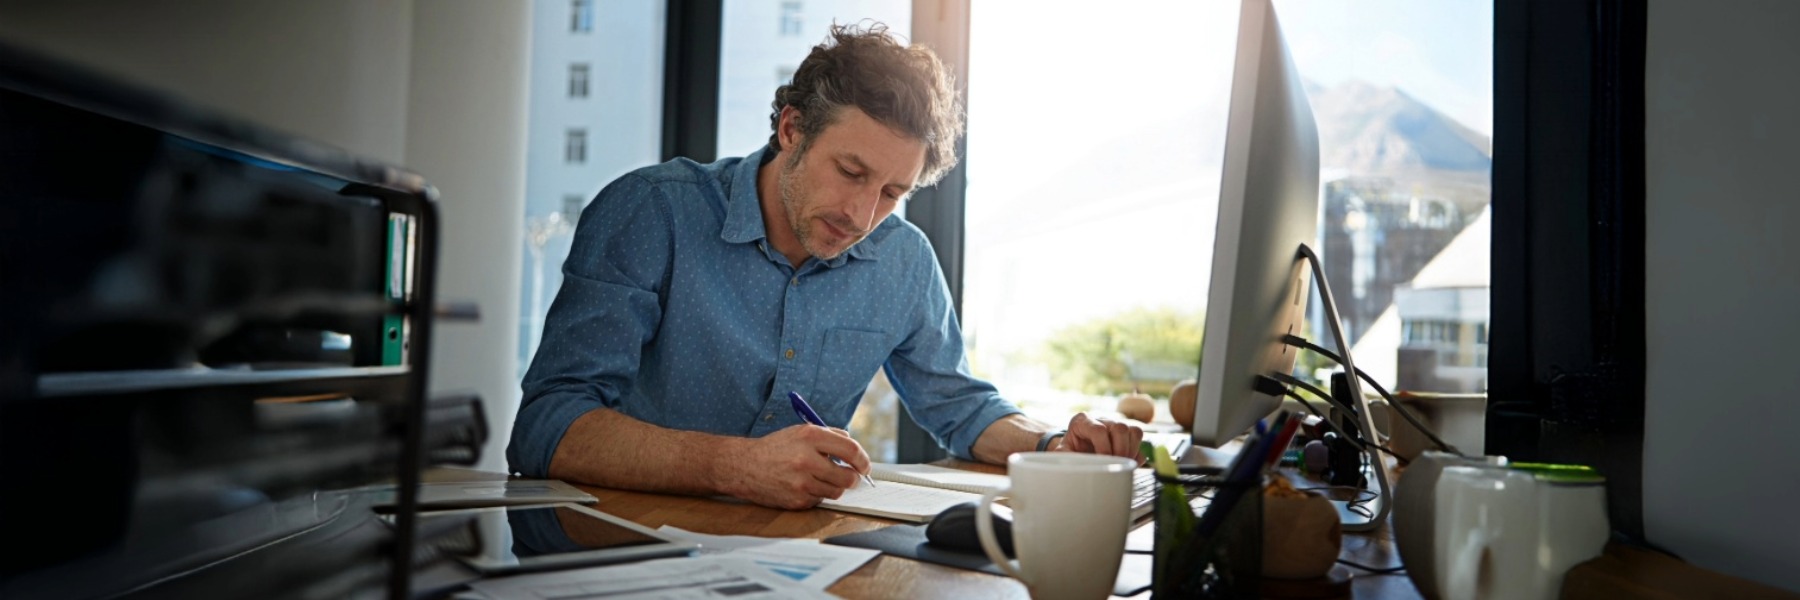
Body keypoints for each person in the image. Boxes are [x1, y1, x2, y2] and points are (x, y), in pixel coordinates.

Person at [508, 23, 1141, 510]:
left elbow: (962, 407)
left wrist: (1056, 446)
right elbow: (545, 428)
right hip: (621, 549)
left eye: (893, 192)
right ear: (791, 129)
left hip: (791, 558)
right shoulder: (653, 212)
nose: (864, 214)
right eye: (851, 172)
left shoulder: (904, 260)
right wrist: (738, 466)